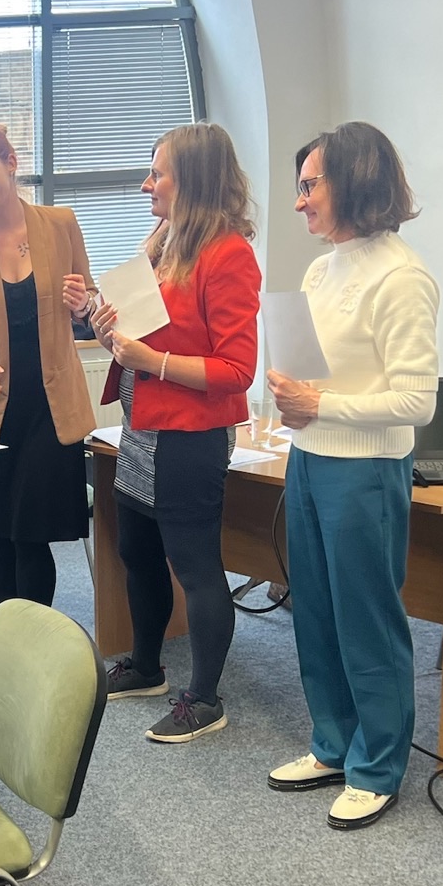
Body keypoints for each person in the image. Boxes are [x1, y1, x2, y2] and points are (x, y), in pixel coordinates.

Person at [265, 122, 439, 830]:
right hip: (310, 457)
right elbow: (321, 375)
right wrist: (293, 395)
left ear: (355, 181)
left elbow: (417, 401)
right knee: (313, 610)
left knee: (367, 619)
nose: (300, 201)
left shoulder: (402, 277)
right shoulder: (320, 270)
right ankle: (334, 745)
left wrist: (320, 404)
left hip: (367, 469)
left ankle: (378, 766)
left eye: (310, 185)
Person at [93, 123, 261, 745]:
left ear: (191, 180)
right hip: (142, 429)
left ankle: (205, 699)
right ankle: (146, 665)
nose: (146, 185)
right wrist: (110, 331)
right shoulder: (167, 246)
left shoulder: (228, 254)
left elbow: (237, 370)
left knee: (195, 567)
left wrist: (151, 360)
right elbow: (144, 335)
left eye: (157, 173)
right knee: (136, 553)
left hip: (189, 436)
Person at [0, 126, 99, 608]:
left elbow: (90, 302)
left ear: (11, 162)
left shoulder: (61, 223)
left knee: (33, 536)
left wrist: (84, 305)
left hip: (51, 410)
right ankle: (8, 634)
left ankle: (34, 634)